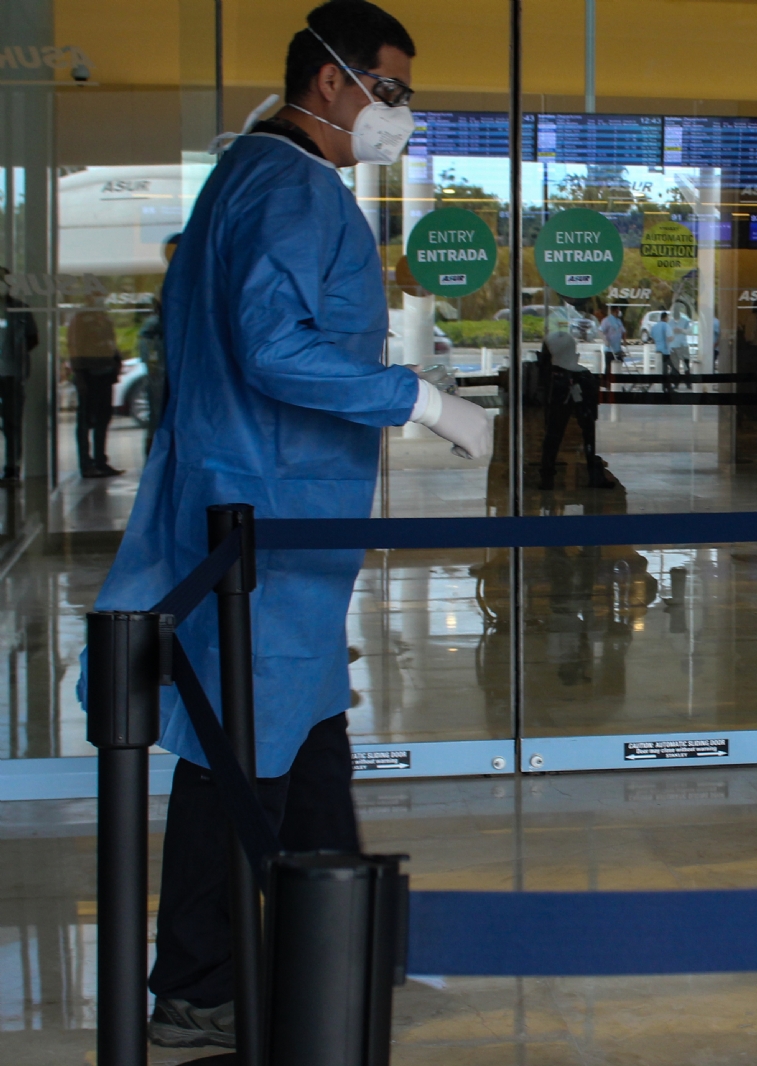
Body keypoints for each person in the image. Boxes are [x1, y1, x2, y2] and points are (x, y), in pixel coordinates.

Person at [86, 1, 489, 1050]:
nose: (399, 110)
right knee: (242, 751)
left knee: (297, 737)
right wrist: (422, 401)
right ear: (332, 83)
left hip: (251, 510)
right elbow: (275, 352)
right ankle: (199, 980)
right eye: (390, 88)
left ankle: (349, 940)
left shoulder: (242, 177)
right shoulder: (297, 189)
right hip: (265, 523)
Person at [539, 329, 610, 490]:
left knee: (554, 434)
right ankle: (592, 472)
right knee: (586, 432)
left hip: (564, 390)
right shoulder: (582, 375)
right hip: (572, 388)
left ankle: (547, 474)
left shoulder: (556, 374)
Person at [67, 293, 123, 478]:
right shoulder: (81, 318)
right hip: (88, 375)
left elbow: (111, 343)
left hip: (105, 373)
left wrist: (116, 363)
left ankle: (101, 461)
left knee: (103, 419)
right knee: (85, 421)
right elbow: (74, 346)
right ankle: (86, 464)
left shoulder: (104, 318)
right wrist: (79, 375)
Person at [0, 266, 39, 480]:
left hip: (12, 375)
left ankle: (12, 467)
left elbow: (32, 339)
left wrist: (15, 357)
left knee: (12, 423)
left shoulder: (20, 310)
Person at [137, 297, 167, 454]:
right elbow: (149, 354)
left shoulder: (162, 324)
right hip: (158, 378)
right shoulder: (154, 326)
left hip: (161, 377)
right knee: (156, 420)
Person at [599, 303, 625, 372]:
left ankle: (618, 380)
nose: (619, 312)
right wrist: (605, 341)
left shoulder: (619, 321)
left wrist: (624, 341)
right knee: (609, 368)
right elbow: (600, 331)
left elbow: (623, 331)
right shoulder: (606, 320)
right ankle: (606, 381)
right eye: (618, 310)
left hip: (618, 349)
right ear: (615, 310)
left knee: (618, 366)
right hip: (609, 349)